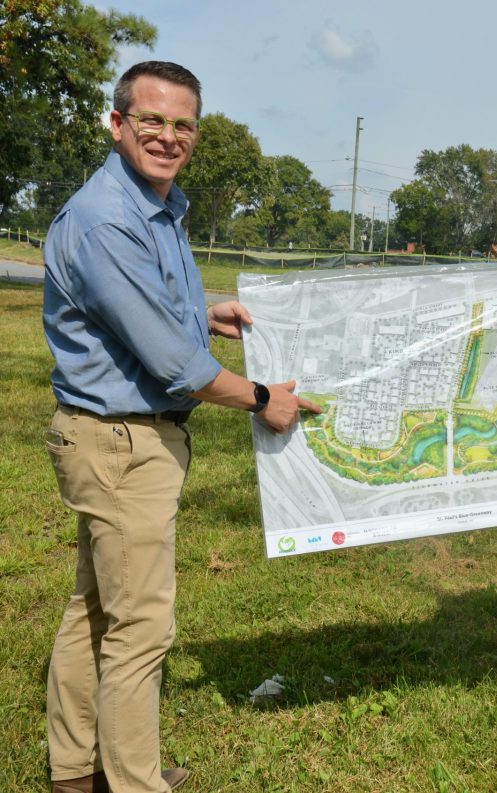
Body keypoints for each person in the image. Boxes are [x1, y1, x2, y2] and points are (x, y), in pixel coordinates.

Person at [41, 61, 320, 793]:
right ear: (116, 123)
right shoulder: (106, 219)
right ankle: (133, 781)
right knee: (141, 627)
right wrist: (263, 396)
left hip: (113, 438)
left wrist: (207, 315)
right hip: (122, 442)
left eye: (182, 124)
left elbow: (156, 316)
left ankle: (77, 766)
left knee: (96, 607)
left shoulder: (152, 205)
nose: (168, 136)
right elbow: (175, 364)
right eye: (151, 120)